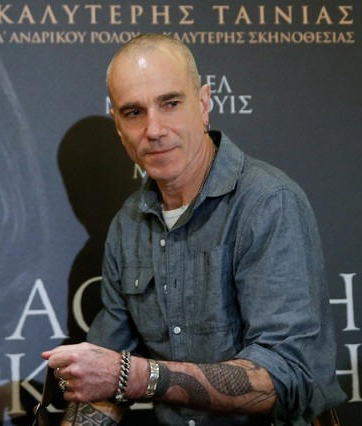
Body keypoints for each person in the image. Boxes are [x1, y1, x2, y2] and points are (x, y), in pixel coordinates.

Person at [43, 34, 346, 425]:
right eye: (134, 112)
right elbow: (105, 377)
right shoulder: (128, 224)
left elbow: (287, 376)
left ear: (204, 105)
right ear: (119, 127)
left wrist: (136, 377)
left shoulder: (268, 202)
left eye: (170, 103)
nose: (154, 129)